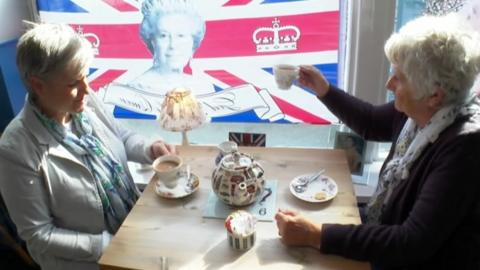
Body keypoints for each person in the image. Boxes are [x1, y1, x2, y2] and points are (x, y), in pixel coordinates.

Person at [275, 14, 480, 270]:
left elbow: (411, 242)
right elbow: (371, 122)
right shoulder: (422, 110)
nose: (389, 83)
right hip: (384, 229)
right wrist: (323, 89)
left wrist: (317, 235)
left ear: (434, 95)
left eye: (399, 78)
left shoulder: (464, 149)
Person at [0, 22, 176, 270]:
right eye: (73, 83)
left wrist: (149, 149)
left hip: (132, 229)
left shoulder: (85, 101)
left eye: (85, 76)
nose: (86, 88)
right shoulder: (15, 148)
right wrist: (108, 244)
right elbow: (39, 234)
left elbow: (123, 136)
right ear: (38, 85)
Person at [128, 0, 214, 95]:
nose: (173, 45)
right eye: (163, 35)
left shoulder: (203, 88)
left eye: (181, 36)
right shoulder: (137, 89)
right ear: (153, 41)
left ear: (192, 42)